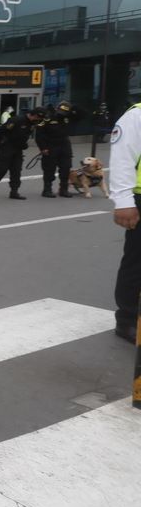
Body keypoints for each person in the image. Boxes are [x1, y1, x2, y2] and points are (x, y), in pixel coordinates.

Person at [109, 104, 141, 343]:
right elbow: (123, 157)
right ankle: (128, 319)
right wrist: (123, 200)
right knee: (137, 261)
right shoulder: (137, 115)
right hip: (139, 197)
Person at [0, 107, 44, 199]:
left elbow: (24, 135)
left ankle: (14, 191)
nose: (38, 120)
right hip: (6, 148)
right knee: (1, 169)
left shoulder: (32, 124)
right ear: (33, 115)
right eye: (37, 118)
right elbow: (2, 131)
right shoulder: (17, 120)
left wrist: (23, 144)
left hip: (18, 149)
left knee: (16, 171)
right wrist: (2, 142)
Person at [36, 100, 78, 198]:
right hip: (51, 145)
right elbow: (39, 134)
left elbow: (82, 114)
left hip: (65, 145)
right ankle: (47, 190)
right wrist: (43, 148)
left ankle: (63, 189)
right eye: (61, 111)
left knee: (66, 168)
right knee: (49, 169)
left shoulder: (68, 117)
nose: (62, 114)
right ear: (57, 109)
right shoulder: (47, 118)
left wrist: (73, 108)